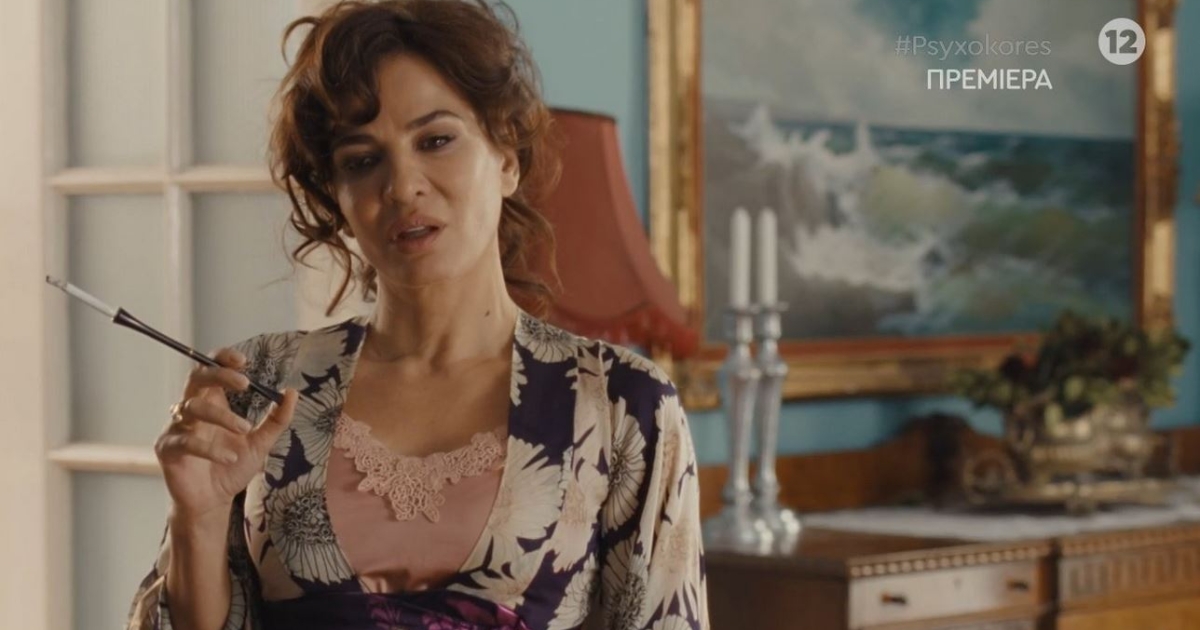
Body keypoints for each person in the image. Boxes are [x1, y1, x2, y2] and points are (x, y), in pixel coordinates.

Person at [125, 1, 709, 629]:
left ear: (507, 158)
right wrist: (197, 518)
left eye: (435, 141)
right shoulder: (262, 384)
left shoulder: (619, 407)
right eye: (362, 160)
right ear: (337, 197)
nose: (403, 186)